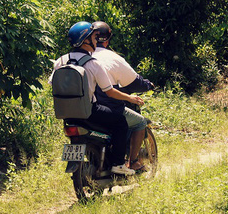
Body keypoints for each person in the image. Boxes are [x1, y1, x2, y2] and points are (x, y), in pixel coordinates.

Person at [50, 21, 144, 176]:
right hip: (89, 112)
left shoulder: (61, 60)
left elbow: (53, 84)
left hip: (66, 114)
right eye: (94, 38)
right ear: (85, 40)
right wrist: (131, 98)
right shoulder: (93, 63)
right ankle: (119, 164)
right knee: (120, 122)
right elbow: (110, 92)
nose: (96, 41)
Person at [91, 21, 154, 172]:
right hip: (105, 109)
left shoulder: (80, 57)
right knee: (139, 122)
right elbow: (133, 82)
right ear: (107, 39)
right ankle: (132, 162)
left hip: (82, 108)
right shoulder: (112, 58)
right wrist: (148, 85)